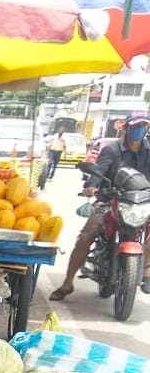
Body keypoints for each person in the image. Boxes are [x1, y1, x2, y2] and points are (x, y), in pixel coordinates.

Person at [50, 113, 150, 300]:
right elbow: (99, 171)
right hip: (110, 200)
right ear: (127, 127)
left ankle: (146, 272)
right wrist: (91, 186)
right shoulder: (112, 150)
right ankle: (67, 283)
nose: (140, 130)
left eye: (144, 126)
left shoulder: (149, 151)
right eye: (136, 126)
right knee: (86, 235)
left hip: (141, 202)